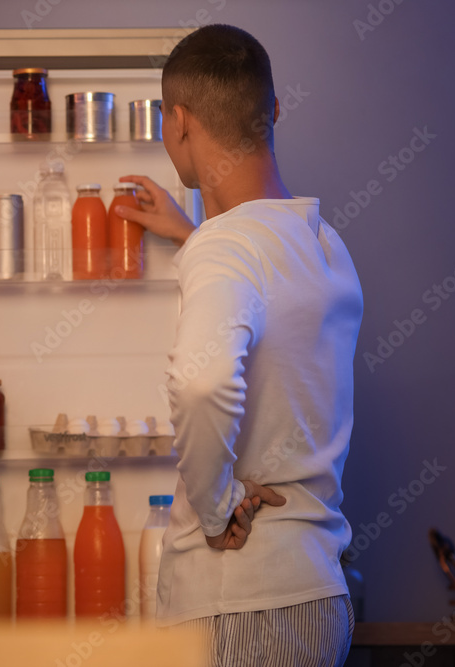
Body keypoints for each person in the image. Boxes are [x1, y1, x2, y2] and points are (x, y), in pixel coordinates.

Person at [118, 24, 363, 666]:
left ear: (178, 121)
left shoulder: (224, 252)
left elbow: (202, 382)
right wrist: (189, 234)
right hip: (317, 594)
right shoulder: (325, 244)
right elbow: (269, 282)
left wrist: (215, 506)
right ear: (273, 110)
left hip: (239, 605)